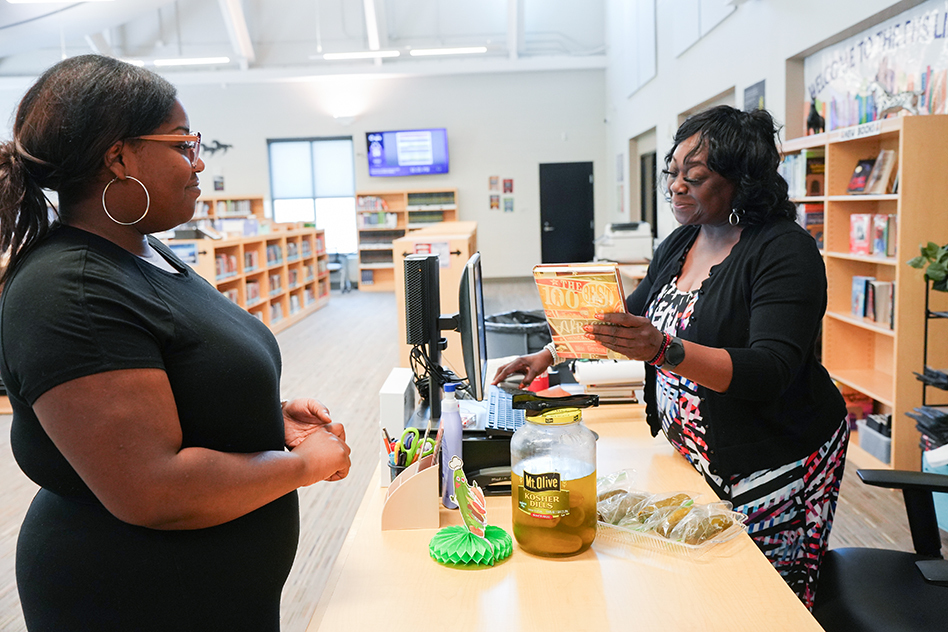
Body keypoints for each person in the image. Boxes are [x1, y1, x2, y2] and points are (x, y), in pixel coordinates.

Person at [0, 55, 351, 631]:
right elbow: (153, 490)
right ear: (119, 156)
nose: (199, 162)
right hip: (132, 600)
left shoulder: (146, 249)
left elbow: (181, 375)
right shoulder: (72, 288)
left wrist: (264, 416)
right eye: (184, 145)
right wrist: (302, 467)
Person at [494, 105, 848, 609]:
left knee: (764, 597)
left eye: (695, 176)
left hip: (775, 453)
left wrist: (664, 349)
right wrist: (549, 354)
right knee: (706, 588)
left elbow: (771, 370)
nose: (677, 187)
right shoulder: (685, 239)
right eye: (673, 173)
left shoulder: (785, 252)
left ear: (743, 181)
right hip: (702, 455)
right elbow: (630, 313)